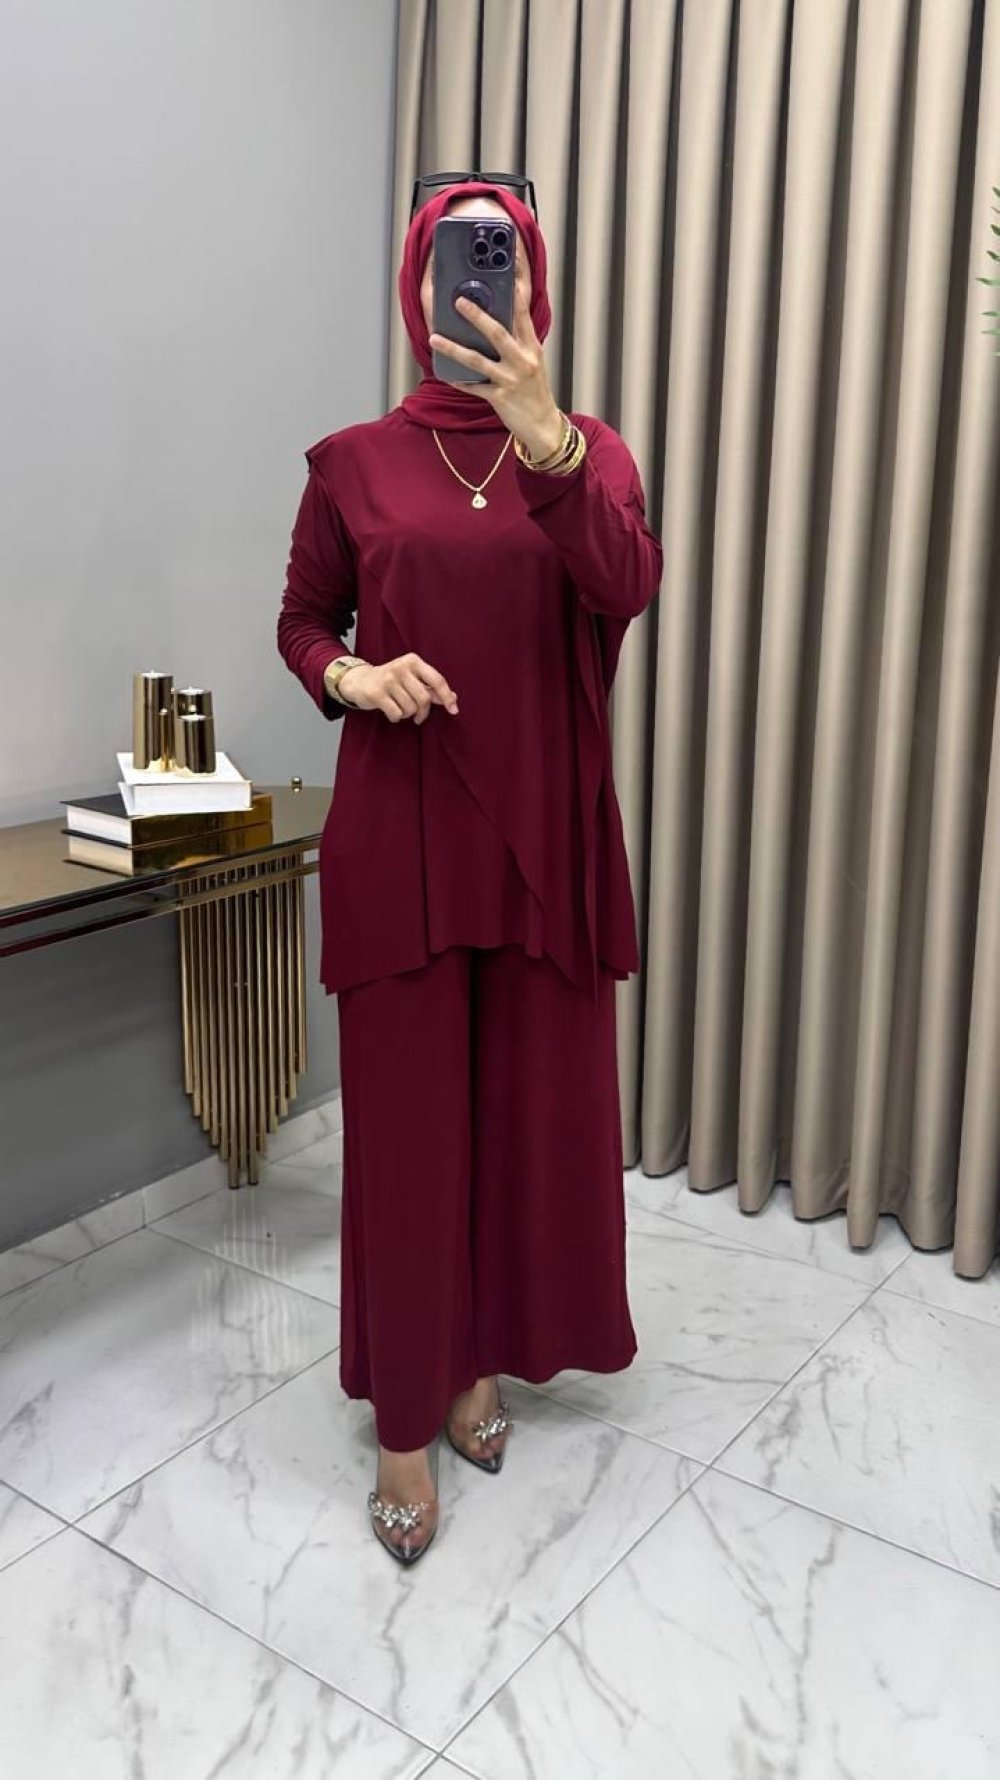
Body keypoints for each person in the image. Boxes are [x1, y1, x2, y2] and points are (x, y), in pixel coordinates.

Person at [276, 175, 662, 1564]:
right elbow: (303, 620)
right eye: (455, 262)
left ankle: (478, 1363)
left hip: (544, 842)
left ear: (534, 287)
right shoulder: (353, 464)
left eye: (501, 263)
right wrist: (353, 677)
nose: (480, 284)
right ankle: (403, 1420)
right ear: (418, 291)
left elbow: (625, 586)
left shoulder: (588, 454)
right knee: (408, 1142)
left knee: (516, 1128)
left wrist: (547, 436)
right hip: (404, 841)